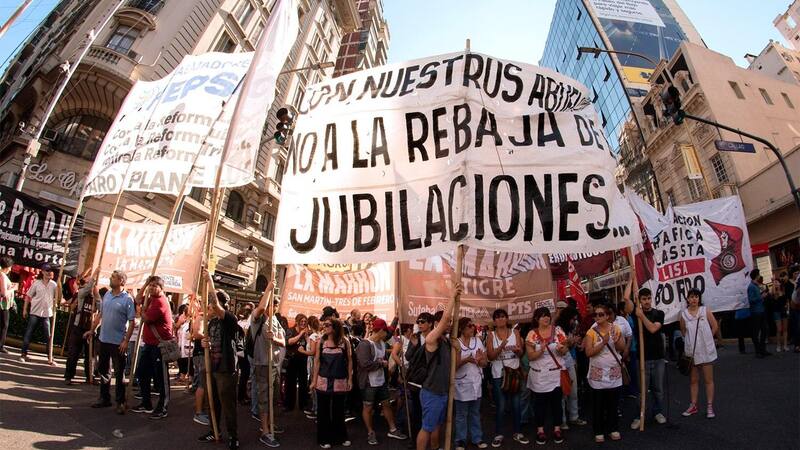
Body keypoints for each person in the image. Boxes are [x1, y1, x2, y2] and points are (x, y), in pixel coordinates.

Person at [198, 268, 241, 450]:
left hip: (226, 369)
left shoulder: (229, 319)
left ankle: (233, 436)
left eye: (213, 304)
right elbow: (208, 341)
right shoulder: (212, 322)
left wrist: (209, 281)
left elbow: (215, 305)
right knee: (212, 402)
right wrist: (204, 344)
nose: (209, 307)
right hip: (212, 368)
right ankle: (214, 430)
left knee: (228, 404)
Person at [84, 270, 135, 414]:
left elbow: (131, 322)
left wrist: (126, 341)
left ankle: (120, 401)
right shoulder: (106, 294)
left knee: (119, 374)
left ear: (121, 281)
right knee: (104, 370)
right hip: (103, 339)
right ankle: (104, 398)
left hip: (118, 342)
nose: (110, 279)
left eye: (113, 277)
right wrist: (92, 329)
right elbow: (101, 314)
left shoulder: (128, 300)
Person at [416, 283, 459, 450]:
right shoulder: (432, 339)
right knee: (427, 427)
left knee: (436, 426)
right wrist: (453, 296)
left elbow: (453, 366)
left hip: (443, 392)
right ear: (436, 323)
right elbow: (446, 319)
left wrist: (458, 349)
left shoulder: (447, 341)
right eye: (442, 322)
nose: (447, 324)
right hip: (431, 392)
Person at [356, 317, 407, 445]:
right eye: (385, 331)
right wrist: (381, 364)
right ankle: (370, 432)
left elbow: (390, 330)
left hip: (381, 381)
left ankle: (393, 429)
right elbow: (363, 363)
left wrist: (396, 318)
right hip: (368, 382)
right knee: (368, 407)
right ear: (380, 331)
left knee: (386, 404)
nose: (387, 334)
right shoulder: (365, 344)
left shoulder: (382, 342)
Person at [583, 303, 625, 443]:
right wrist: (603, 343)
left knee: (613, 403)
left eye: (601, 314)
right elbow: (588, 352)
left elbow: (622, 348)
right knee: (598, 404)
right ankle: (598, 430)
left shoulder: (616, 329)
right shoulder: (591, 332)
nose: (597, 317)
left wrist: (616, 339)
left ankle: (613, 428)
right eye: (595, 314)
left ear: (607, 316)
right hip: (597, 374)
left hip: (614, 372)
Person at [132, 276, 174, 419]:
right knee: (142, 373)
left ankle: (163, 406)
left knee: (161, 378)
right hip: (149, 345)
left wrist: (141, 311)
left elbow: (147, 318)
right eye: (151, 285)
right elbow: (138, 299)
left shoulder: (160, 302)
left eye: (155, 286)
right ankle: (146, 402)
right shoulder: (151, 299)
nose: (152, 288)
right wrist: (144, 284)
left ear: (162, 288)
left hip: (159, 346)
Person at [486, 308, 528, 446]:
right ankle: (499, 434)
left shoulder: (515, 332)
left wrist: (518, 351)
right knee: (501, 406)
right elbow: (490, 356)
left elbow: (521, 354)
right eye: (497, 317)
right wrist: (501, 347)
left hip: (514, 372)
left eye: (503, 316)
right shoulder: (491, 335)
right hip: (499, 374)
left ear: (507, 319)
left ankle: (518, 432)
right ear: (494, 321)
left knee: (516, 404)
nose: (500, 319)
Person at [525, 307, 567, 446]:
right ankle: (540, 430)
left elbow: (565, 350)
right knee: (540, 404)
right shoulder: (532, 334)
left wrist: (562, 349)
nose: (546, 318)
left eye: (547, 315)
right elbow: (530, 357)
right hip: (539, 376)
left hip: (555, 374)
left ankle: (557, 428)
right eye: (542, 316)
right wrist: (541, 350)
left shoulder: (558, 331)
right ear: (537, 319)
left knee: (557, 404)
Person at [250, 280, 284, 447]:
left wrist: (275, 338)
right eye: (272, 303)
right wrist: (268, 289)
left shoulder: (276, 320)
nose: (274, 306)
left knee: (274, 397)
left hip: (275, 365)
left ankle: (270, 423)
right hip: (263, 364)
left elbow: (283, 341)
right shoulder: (257, 319)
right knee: (264, 398)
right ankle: (264, 431)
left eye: (276, 304)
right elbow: (261, 308)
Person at [627, 288, 667, 429]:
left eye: (649, 298)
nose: (647, 301)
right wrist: (631, 280)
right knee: (641, 390)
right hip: (642, 358)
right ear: (640, 300)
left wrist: (641, 316)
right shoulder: (635, 312)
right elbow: (626, 299)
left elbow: (652, 329)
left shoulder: (659, 314)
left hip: (658, 358)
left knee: (658, 388)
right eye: (644, 299)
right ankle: (639, 415)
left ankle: (658, 412)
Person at [311, 317, 353, 449]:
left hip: (340, 381)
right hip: (323, 381)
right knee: (322, 411)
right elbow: (317, 361)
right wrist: (314, 380)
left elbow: (350, 360)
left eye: (328, 325)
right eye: (324, 325)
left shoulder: (345, 342)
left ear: (335, 327)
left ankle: (340, 437)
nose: (324, 327)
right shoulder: (321, 341)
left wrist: (350, 379)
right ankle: (324, 438)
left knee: (339, 411)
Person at [680, 289, 718, 419]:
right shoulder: (684, 314)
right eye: (691, 297)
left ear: (699, 298)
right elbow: (683, 331)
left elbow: (715, 326)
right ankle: (693, 405)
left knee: (708, 380)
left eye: (696, 296)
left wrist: (708, 339)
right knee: (694, 380)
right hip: (692, 352)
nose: (694, 299)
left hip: (706, 351)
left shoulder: (704, 310)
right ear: (688, 299)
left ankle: (709, 406)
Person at [454, 317, 488, 450]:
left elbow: (485, 363)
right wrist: (466, 360)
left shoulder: (477, 341)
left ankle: (477, 438)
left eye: (473, 325)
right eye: (469, 326)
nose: (472, 328)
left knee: (475, 412)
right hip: (461, 383)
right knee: (461, 414)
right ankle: (460, 440)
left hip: (476, 382)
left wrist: (479, 361)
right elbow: (453, 366)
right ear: (461, 328)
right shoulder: (456, 343)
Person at [64, 268, 99, 385]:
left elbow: (102, 308)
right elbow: (88, 288)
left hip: (89, 329)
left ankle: (90, 376)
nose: (88, 286)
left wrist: (96, 292)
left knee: (90, 356)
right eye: (86, 283)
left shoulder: (95, 298)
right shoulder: (81, 293)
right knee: (73, 353)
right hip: (78, 327)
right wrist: (94, 275)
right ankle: (69, 376)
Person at [405, 312, 435, 443]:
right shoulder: (415, 337)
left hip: (432, 379)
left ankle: (431, 439)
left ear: (430, 323)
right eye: (418, 322)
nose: (420, 324)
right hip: (417, 380)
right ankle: (416, 440)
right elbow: (408, 357)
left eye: (423, 321)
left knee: (430, 411)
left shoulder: (436, 337)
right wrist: (415, 345)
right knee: (416, 410)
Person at [553, 306, 585, 429]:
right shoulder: (557, 329)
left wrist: (572, 342)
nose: (574, 321)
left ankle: (574, 416)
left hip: (569, 362)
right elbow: (562, 347)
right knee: (562, 393)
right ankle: (562, 421)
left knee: (573, 391)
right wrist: (571, 341)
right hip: (559, 365)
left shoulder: (570, 329)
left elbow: (569, 347)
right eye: (573, 319)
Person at [20, 265, 58, 364]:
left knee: (48, 336)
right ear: (42, 272)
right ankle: (23, 354)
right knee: (29, 333)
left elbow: (58, 297)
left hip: (46, 313)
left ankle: (50, 357)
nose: (49, 272)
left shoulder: (54, 285)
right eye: (47, 271)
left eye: (50, 271)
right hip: (35, 312)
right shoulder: (36, 283)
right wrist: (25, 309)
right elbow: (28, 296)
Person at [284, 313, 310, 412]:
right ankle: (289, 405)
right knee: (290, 383)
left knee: (303, 383)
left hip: (303, 360)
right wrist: (300, 335)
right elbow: (289, 342)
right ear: (297, 322)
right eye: (301, 321)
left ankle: (303, 404)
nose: (303, 323)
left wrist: (307, 337)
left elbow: (310, 346)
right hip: (292, 360)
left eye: (305, 322)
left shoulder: (307, 332)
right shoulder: (291, 330)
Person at [748, 269, 770, 357]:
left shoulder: (756, 286)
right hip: (756, 312)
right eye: (759, 274)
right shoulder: (751, 287)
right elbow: (751, 300)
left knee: (764, 330)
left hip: (761, 310)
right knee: (756, 332)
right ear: (756, 276)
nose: (760, 276)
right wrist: (761, 297)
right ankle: (758, 351)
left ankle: (762, 349)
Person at [0, 256, 15, 353]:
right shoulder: (3, 276)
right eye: (10, 266)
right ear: (7, 266)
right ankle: (0, 345)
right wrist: (13, 288)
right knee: (4, 325)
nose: (11, 268)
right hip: (3, 305)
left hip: (4, 304)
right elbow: (4, 293)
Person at [773, 272, 790, 352]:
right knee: (779, 329)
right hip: (776, 311)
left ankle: (785, 345)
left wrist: (787, 306)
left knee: (785, 329)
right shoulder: (774, 292)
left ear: (780, 283)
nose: (776, 284)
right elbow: (775, 297)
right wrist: (773, 284)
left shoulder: (783, 291)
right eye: (775, 283)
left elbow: (787, 300)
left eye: (777, 282)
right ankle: (778, 345)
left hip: (783, 311)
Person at [175, 303, 192, 383]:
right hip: (180, 346)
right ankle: (182, 376)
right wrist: (179, 322)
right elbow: (176, 329)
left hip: (189, 347)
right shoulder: (182, 323)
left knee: (189, 363)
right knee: (181, 361)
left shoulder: (192, 322)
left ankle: (190, 378)